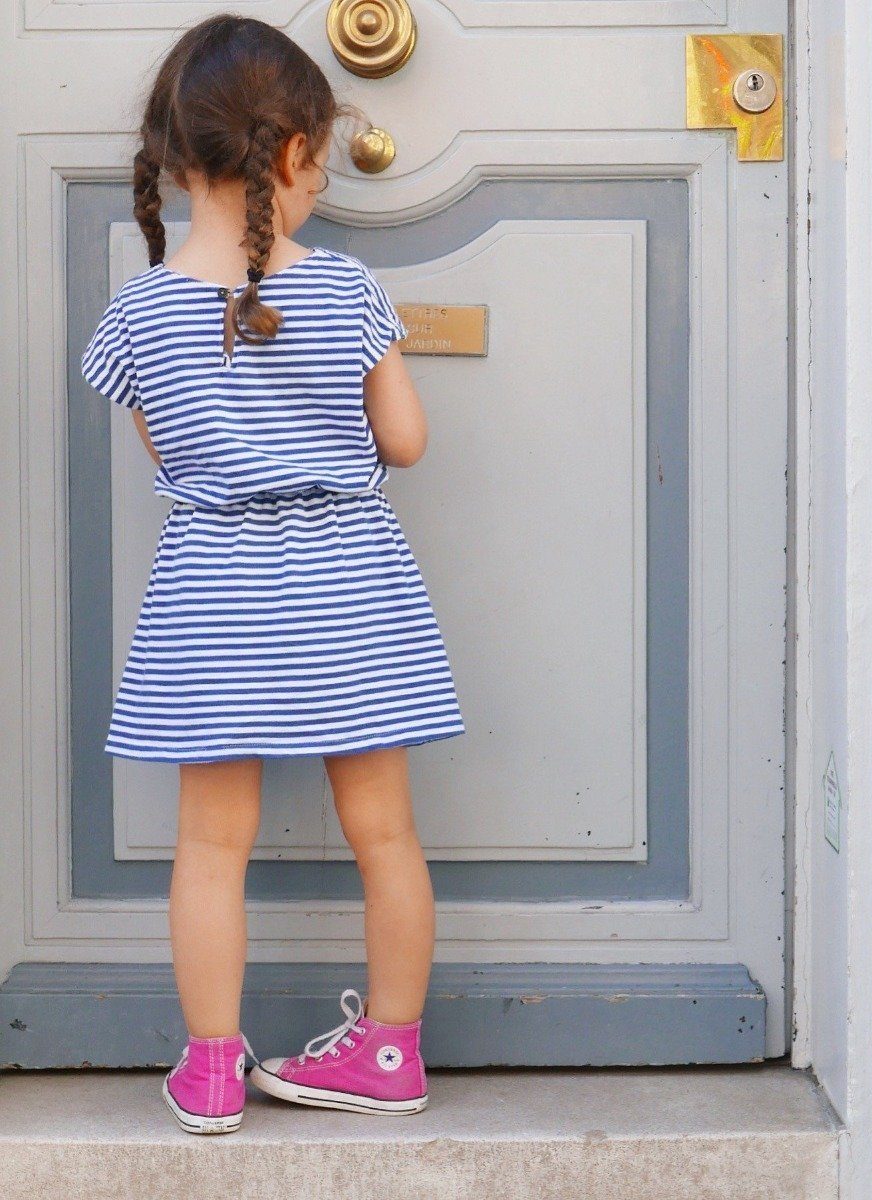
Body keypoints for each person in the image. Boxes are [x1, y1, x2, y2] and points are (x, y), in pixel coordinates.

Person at [79, 12, 466, 1134]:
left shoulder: (139, 316)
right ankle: (390, 1051)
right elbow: (404, 443)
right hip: (352, 582)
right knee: (384, 832)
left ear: (172, 156)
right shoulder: (348, 292)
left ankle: (208, 1071)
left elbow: (175, 461)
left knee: (210, 844)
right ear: (296, 152)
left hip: (214, 594)